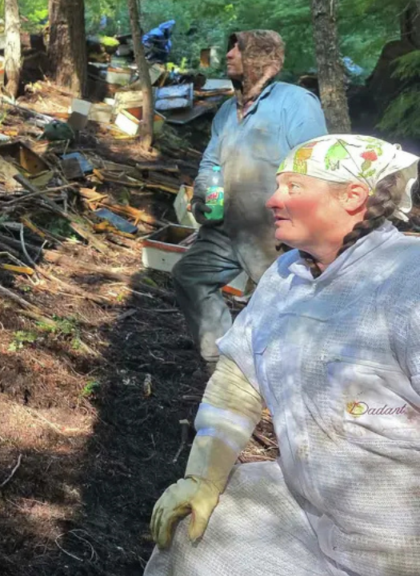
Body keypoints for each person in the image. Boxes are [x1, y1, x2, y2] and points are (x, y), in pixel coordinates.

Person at [145, 134, 420, 576]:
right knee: (193, 531)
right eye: (277, 186)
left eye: (293, 188)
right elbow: (238, 382)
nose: (273, 200)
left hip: (399, 551)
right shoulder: (285, 275)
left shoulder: (408, 279)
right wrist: (203, 477)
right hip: (311, 519)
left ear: (352, 197)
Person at [173, 30, 328, 368]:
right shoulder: (228, 111)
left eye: (238, 49)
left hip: (275, 234)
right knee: (190, 276)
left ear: (259, 58)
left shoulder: (296, 102)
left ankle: (287, 381)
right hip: (226, 228)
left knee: (284, 310)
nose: (228, 55)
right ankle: (221, 361)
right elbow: (212, 162)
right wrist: (205, 197)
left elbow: (314, 167)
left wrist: (303, 228)